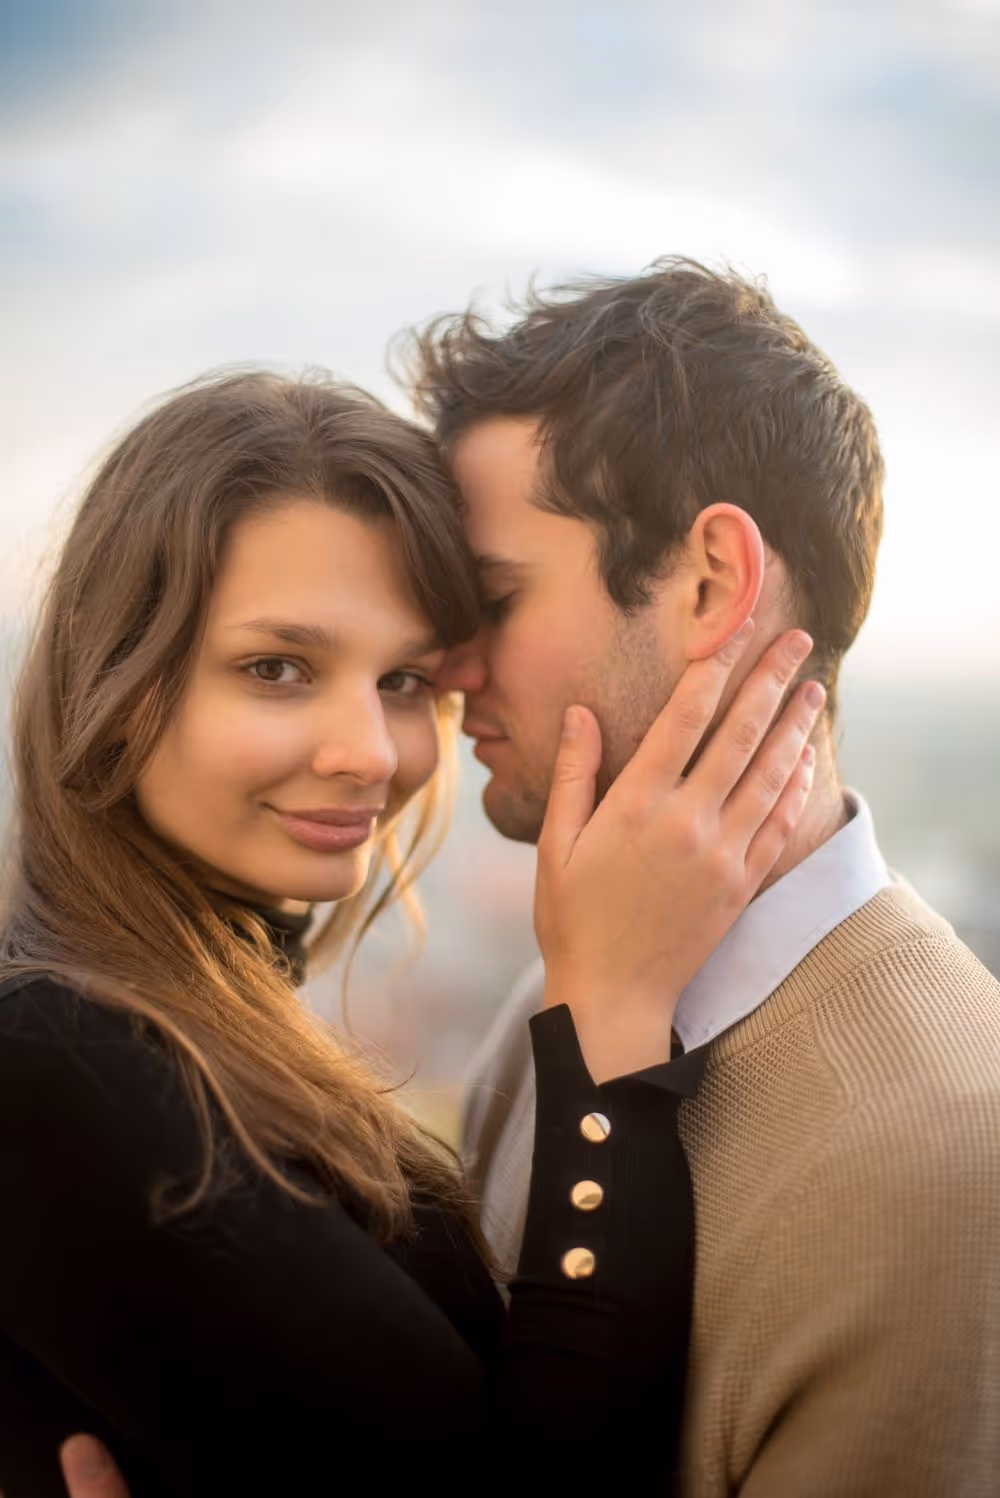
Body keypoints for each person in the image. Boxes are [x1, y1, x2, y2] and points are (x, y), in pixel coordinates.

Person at [0, 370, 822, 1497]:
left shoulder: (166, 1013)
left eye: (401, 679)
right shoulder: (54, 1064)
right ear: (117, 674)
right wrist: (608, 1029)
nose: (372, 752)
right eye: (276, 668)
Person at [403, 259, 1000, 1494]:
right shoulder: (553, 1005)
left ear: (710, 582)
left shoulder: (949, 1164)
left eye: (494, 597)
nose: (451, 664)